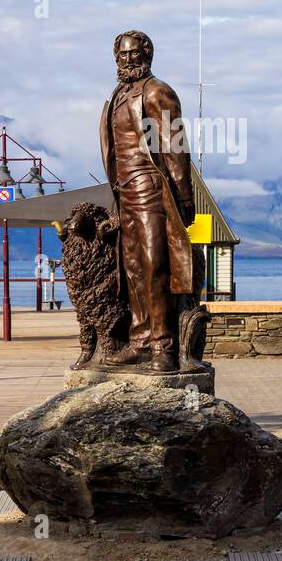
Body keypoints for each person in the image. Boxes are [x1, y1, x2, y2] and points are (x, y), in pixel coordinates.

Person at [99, 30, 195, 372]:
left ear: (147, 54)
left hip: (151, 188)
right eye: (121, 55)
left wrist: (184, 197)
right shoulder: (116, 96)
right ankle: (139, 340)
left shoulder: (158, 93)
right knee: (133, 268)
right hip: (123, 190)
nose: (127, 61)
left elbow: (176, 147)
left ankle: (163, 347)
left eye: (132, 54)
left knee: (156, 267)